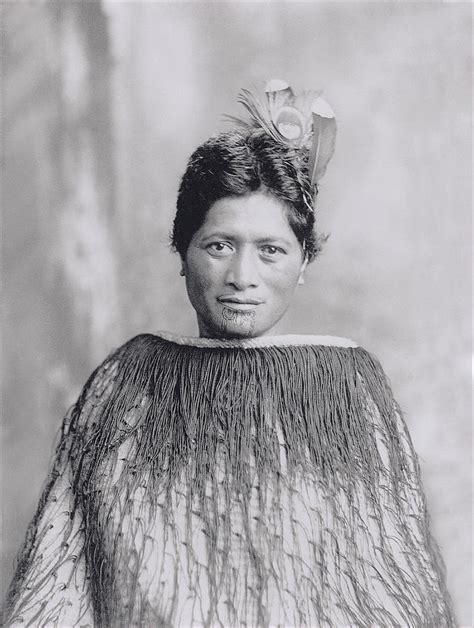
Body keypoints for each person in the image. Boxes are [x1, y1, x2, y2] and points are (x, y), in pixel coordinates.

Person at [3, 81, 454, 627]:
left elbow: (390, 593)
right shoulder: (126, 387)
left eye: (271, 251)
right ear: (182, 250)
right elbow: (61, 582)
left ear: (303, 261)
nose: (243, 278)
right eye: (219, 246)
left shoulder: (347, 393)